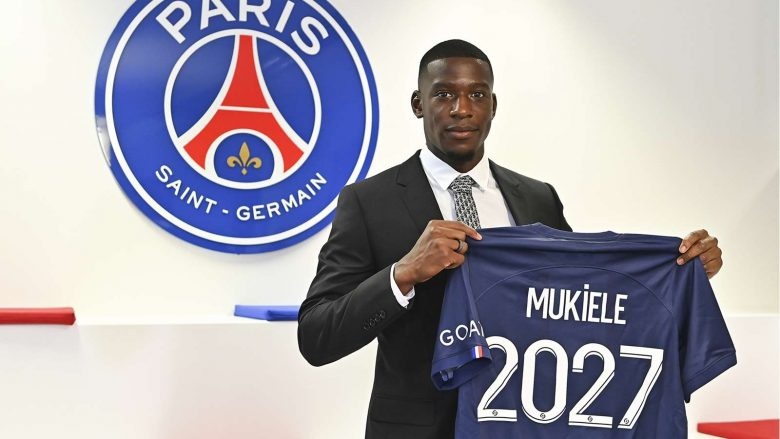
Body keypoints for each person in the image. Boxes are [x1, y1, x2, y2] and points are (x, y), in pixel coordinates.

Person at [297, 39, 723, 439]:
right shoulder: (369, 202)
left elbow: (578, 302)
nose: (462, 109)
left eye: (477, 94)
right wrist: (403, 274)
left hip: (522, 425)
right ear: (418, 104)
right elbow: (317, 336)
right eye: (444, 94)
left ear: (493, 106)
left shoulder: (538, 198)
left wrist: (679, 271)